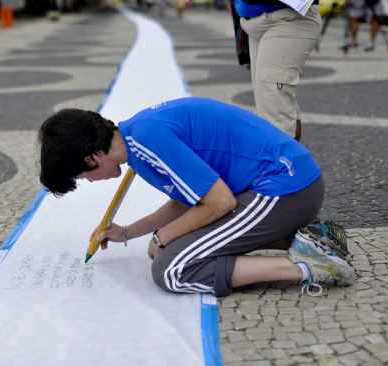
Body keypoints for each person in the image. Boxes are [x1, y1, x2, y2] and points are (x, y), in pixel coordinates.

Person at [39, 97, 354, 297]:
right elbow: (187, 199)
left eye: (83, 176)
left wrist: (162, 239)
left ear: (93, 157)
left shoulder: (146, 141)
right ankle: (307, 238)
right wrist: (128, 232)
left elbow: (219, 203)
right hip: (287, 183)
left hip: (283, 188)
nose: (90, 182)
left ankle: (312, 265)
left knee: (171, 269)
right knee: (170, 247)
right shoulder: (136, 138)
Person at [233, 0, 322, 141]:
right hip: (254, 20)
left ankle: (283, 161)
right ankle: (292, 157)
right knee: (272, 104)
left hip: (288, 18)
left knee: (274, 109)